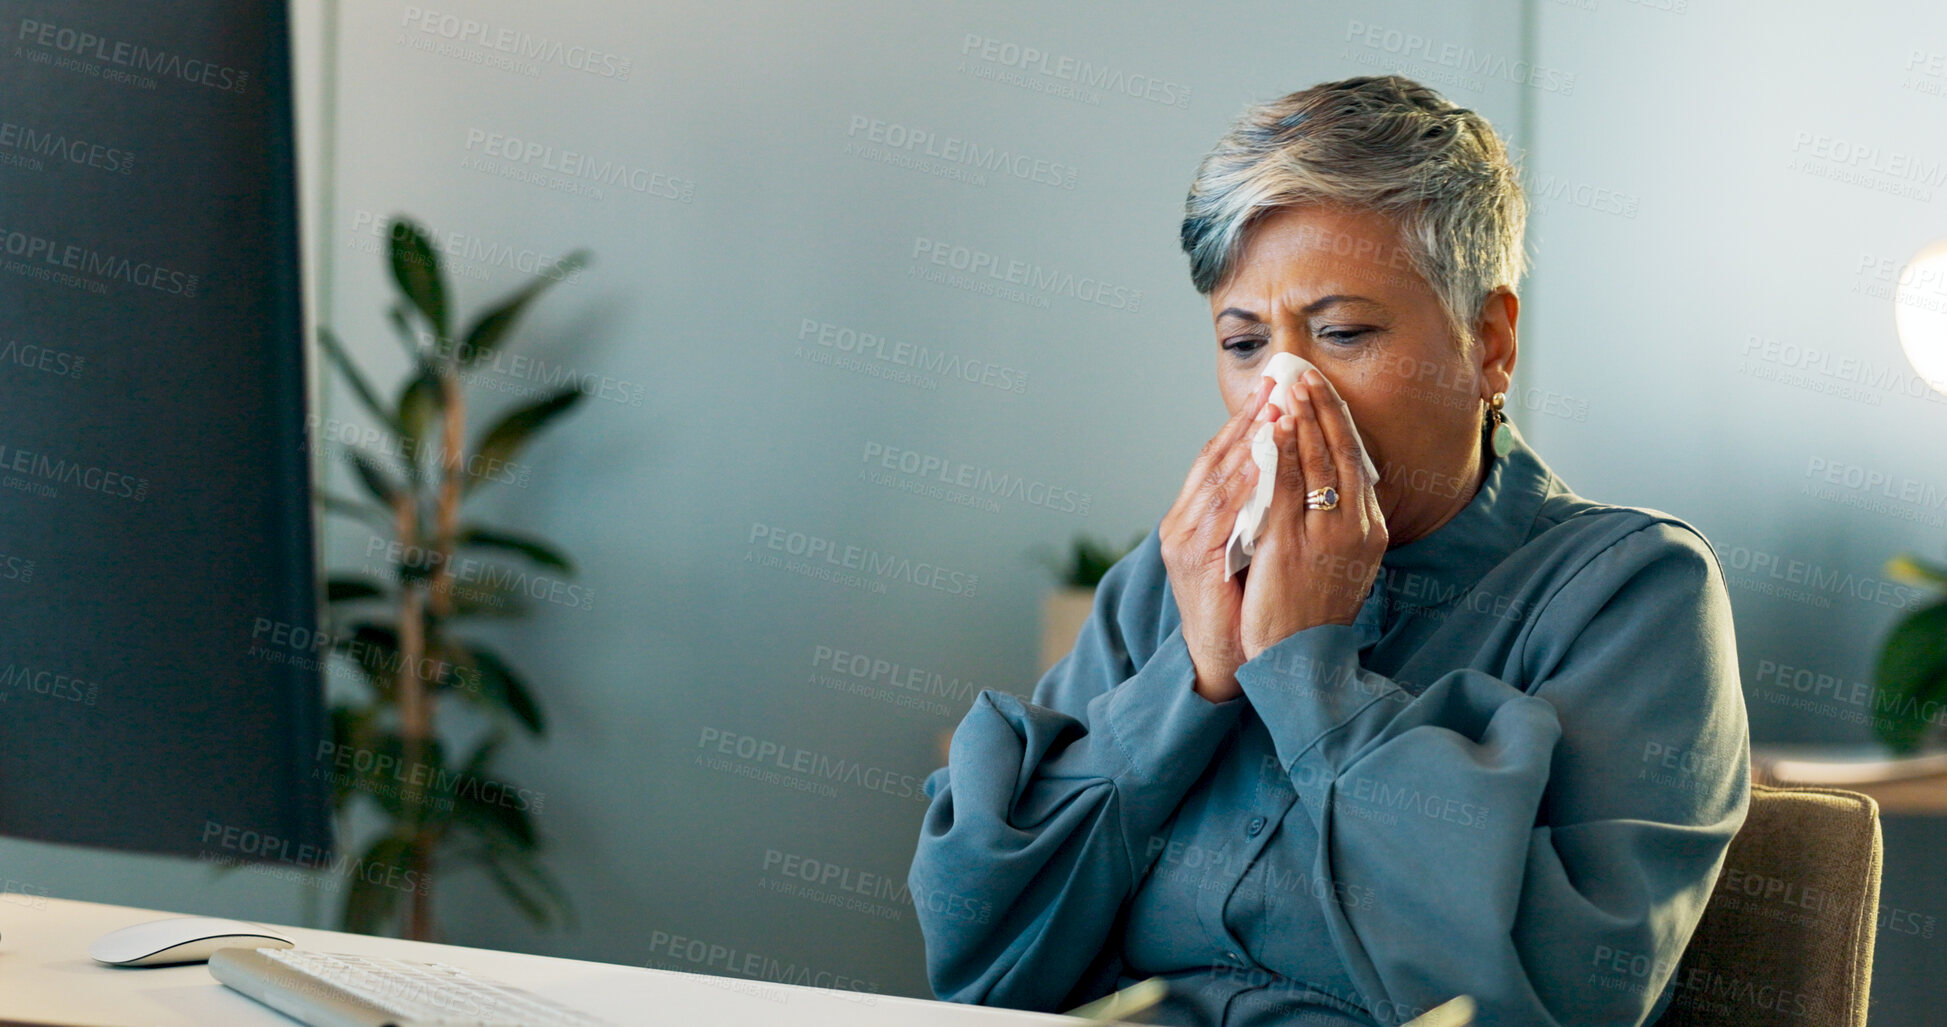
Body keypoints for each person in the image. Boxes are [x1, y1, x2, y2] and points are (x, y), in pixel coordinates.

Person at [907, 75, 1750, 1027]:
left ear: (1489, 343)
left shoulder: (1630, 592)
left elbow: (1557, 1000)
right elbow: (980, 960)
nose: (1284, 394)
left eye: (1343, 332)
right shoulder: (1170, 580)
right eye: (1242, 343)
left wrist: (1306, 674)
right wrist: (1198, 672)